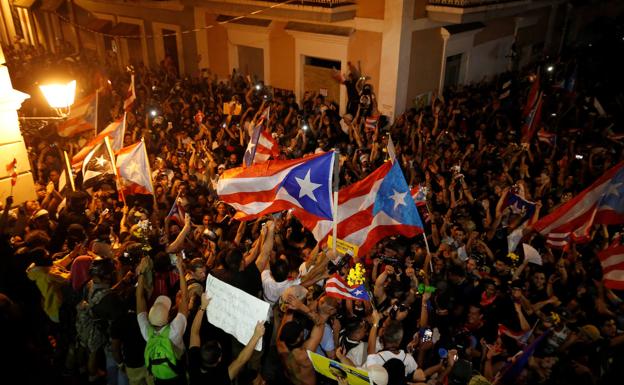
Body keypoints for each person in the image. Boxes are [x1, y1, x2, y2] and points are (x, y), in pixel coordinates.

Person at [187, 293, 265, 385]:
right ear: (219, 359)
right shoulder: (220, 378)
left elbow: (194, 332)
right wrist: (256, 336)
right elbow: (241, 360)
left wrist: (203, 307)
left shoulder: (193, 360)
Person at [136, 254, 188, 385]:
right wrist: (181, 269)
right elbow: (185, 298)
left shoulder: (146, 332)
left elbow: (139, 299)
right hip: (177, 374)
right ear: (169, 317)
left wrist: (141, 272)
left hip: (158, 378)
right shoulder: (175, 331)